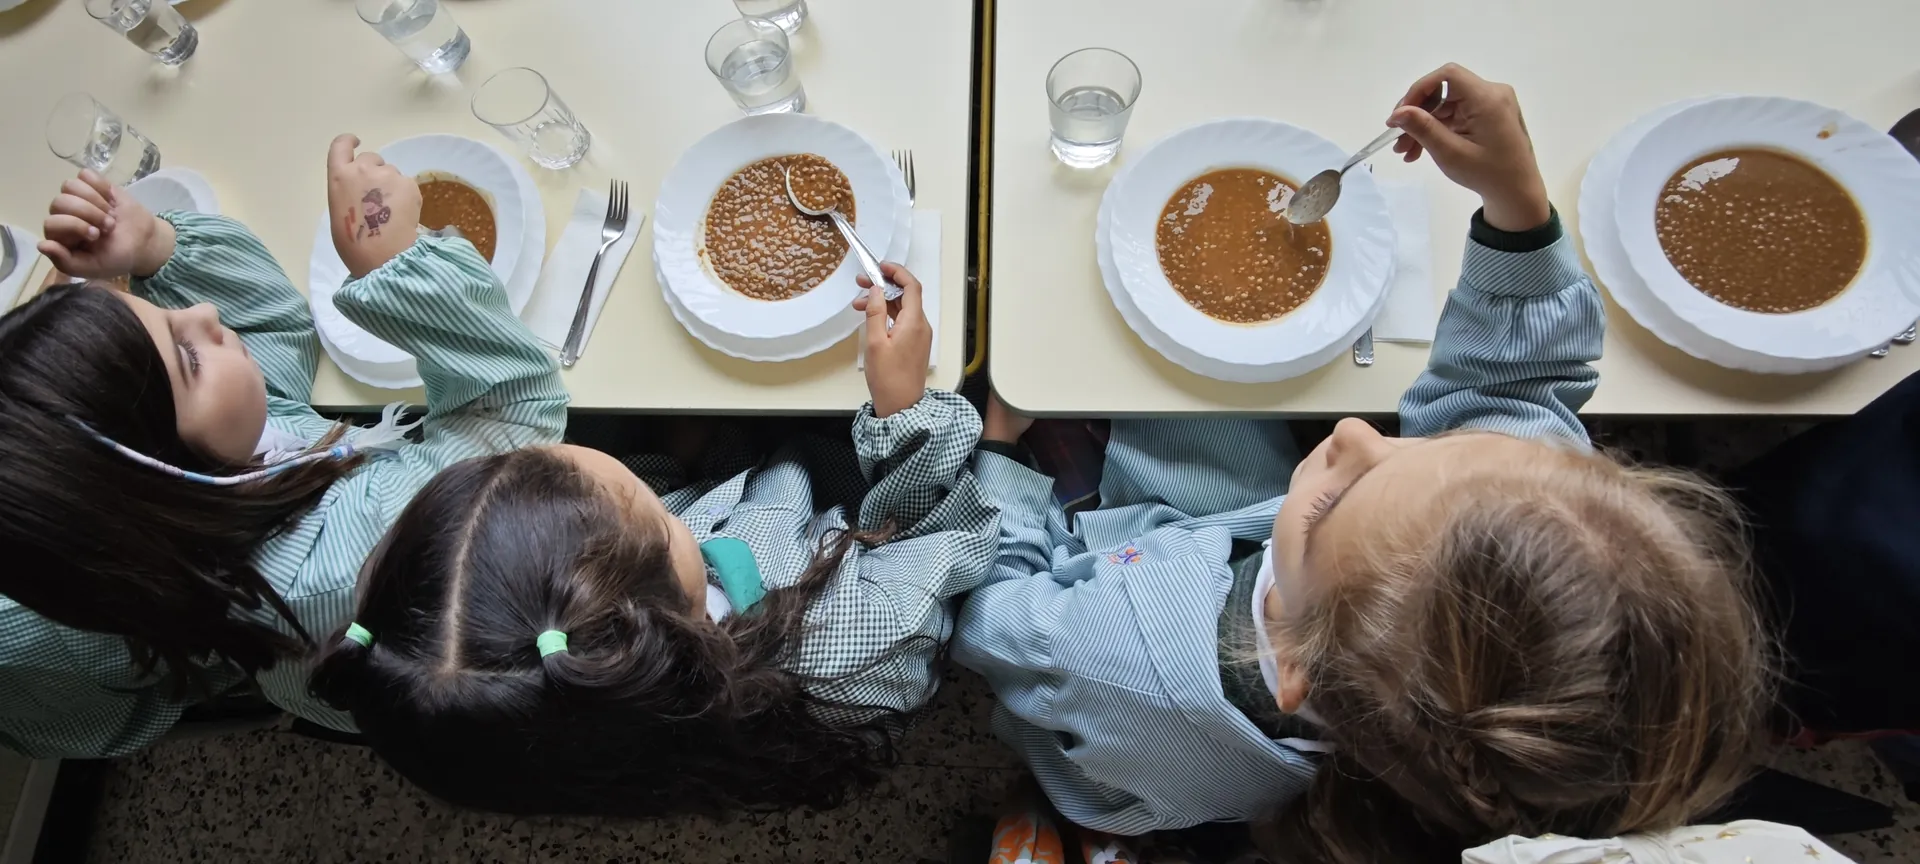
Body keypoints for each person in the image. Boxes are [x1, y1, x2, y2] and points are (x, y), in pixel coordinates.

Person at [953, 63, 1772, 861]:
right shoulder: (1535, 525)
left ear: (1295, 666)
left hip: (1114, 658)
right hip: (1230, 547)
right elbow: (1512, 385)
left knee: (1014, 413)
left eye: (1335, 503)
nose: (1352, 431)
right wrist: (1515, 206)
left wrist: (998, 447)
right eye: (1433, 443)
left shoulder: (1106, 656)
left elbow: (992, 614)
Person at [305, 262, 1000, 818]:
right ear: (670, 560)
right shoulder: (862, 640)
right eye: (651, 505)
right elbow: (944, 539)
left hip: (740, 477)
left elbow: (659, 495)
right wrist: (905, 415)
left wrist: (681, 456)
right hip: (858, 496)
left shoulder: (588, 705)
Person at [0, 135, 566, 757]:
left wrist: (156, 249)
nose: (204, 313)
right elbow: (513, 426)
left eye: (164, 311)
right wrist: (401, 266)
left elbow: (275, 329)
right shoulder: (345, 569)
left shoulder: (206, 478)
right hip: (509, 629)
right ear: (169, 477)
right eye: (188, 357)